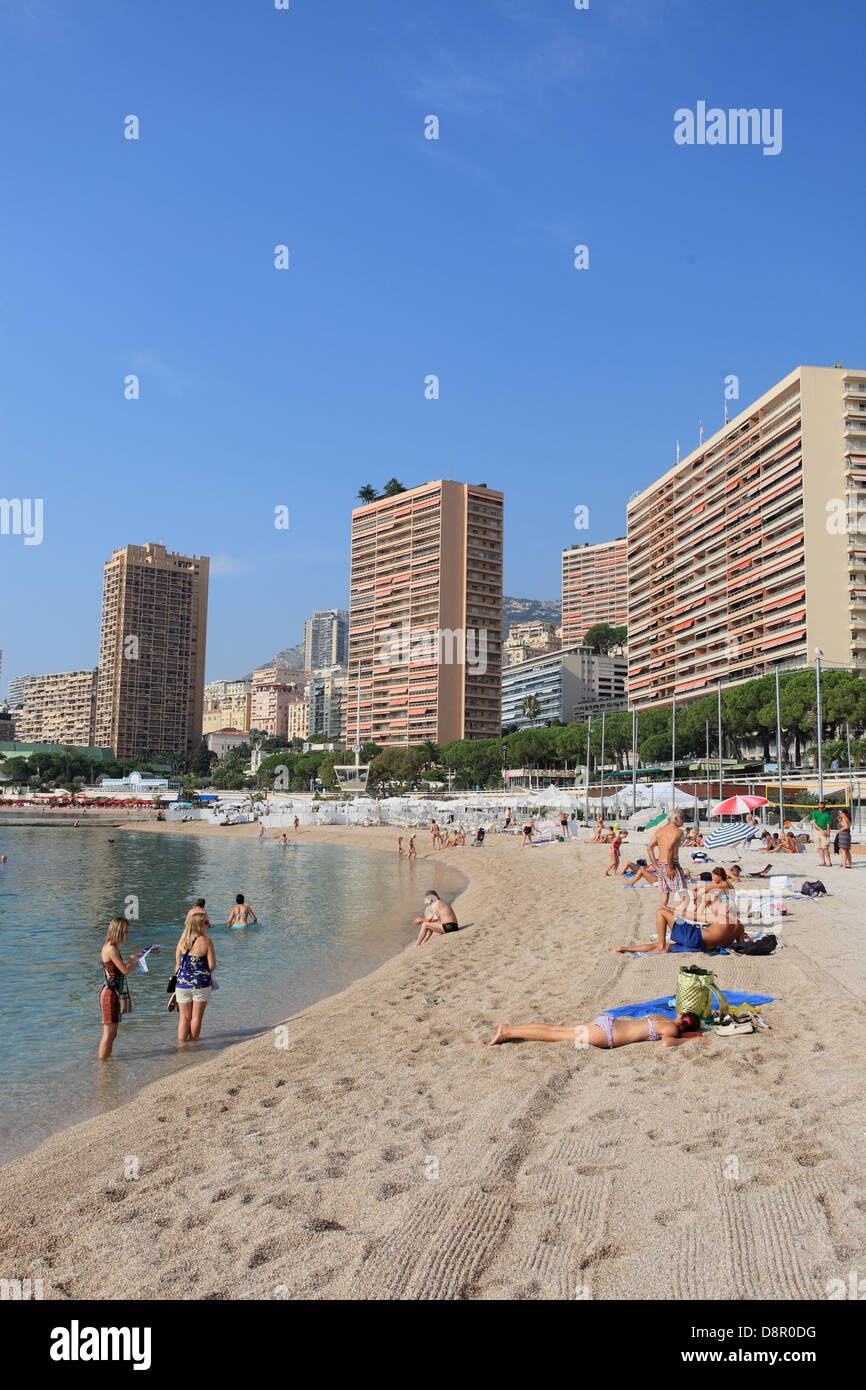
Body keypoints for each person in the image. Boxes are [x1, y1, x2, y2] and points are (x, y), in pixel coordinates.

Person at [613, 867, 746, 954]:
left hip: (696, 938)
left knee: (661, 912)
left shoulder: (721, 917)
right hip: (703, 947)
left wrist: (669, 908)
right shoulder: (740, 927)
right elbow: (743, 946)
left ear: (727, 910)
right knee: (668, 947)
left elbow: (693, 916)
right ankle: (624, 949)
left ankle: (659, 946)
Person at [488, 1011, 703, 1049]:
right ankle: (507, 1033)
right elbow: (667, 1043)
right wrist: (690, 1040)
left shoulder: (663, 1017)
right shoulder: (671, 1030)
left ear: (680, 1015)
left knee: (557, 1029)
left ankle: (509, 1029)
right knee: (555, 1035)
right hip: (607, 1036)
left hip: (607, 1023)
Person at [98, 916, 143, 1059]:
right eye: (126, 932)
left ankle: (107, 1062)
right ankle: (103, 1065)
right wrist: (132, 958)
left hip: (113, 992)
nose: (127, 935)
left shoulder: (112, 946)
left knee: (113, 1033)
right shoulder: (111, 949)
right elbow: (125, 970)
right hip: (110, 994)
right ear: (119, 931)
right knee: (108, 1033)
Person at [174, 909, 215, 1042]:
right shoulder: (206, 941)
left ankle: (181, 1046)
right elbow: (212, 966)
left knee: (184, 1018)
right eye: (206, 922)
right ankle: (194, 1043)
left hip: (182, 984)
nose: (208, 925)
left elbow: (177, 965)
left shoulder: (181, 941)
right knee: (196, 1017)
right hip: (200, 984)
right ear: (200, 925)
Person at [647, 812, 688, 912]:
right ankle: (681, 923)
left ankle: (660, 919)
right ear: (675, 819)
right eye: (682, 817)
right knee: (684, 897)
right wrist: (670, 868)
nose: (684, 820)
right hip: (671, 864)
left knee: (664, 898)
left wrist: (656, 867)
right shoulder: (678, 831)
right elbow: (669, 849)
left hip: (660, 865)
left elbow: (649, 848)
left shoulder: (659, 831)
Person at [811, 801, 833, 868]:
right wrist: (821, 830)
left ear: (824, 808)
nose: (820, 809)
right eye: (819, 807)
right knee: (819, 847)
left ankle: (829, 862)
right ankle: (823, 861)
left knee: (825, 847)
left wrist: (828, 835)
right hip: (817, 830)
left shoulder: (826, 814)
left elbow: (828, 825)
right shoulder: (815, 812)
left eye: (822, 808)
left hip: (825, 831)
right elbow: (814, 823)